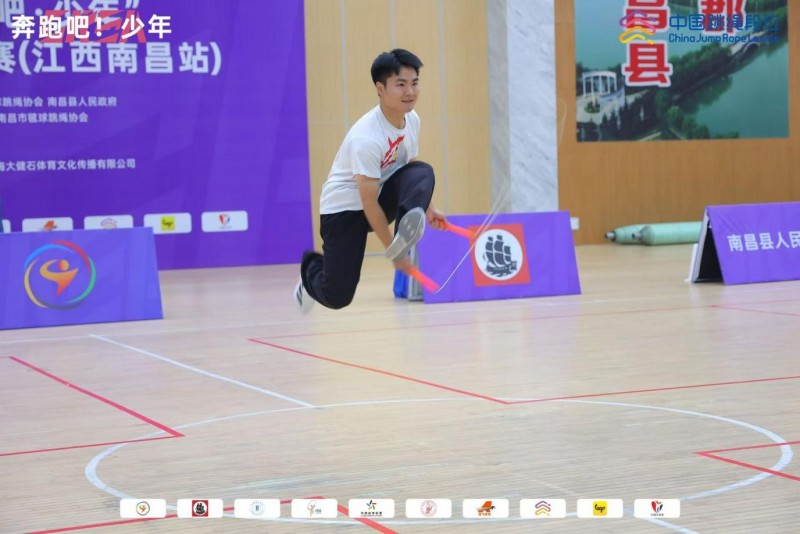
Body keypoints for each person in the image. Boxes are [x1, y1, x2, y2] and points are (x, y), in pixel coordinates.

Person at [295, 48, 447, 313]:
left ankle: (405, 231)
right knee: (337, 296)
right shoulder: (366, 139)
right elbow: (368, 204)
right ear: (380, 88)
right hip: (344, 211)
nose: (410, 92)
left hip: (380, 194)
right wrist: (394, 254)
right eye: (400, 84)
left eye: (414, 83)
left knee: (423, 170)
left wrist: (428, 207)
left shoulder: (412, 120)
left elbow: (410, 168)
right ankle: (310, 269)